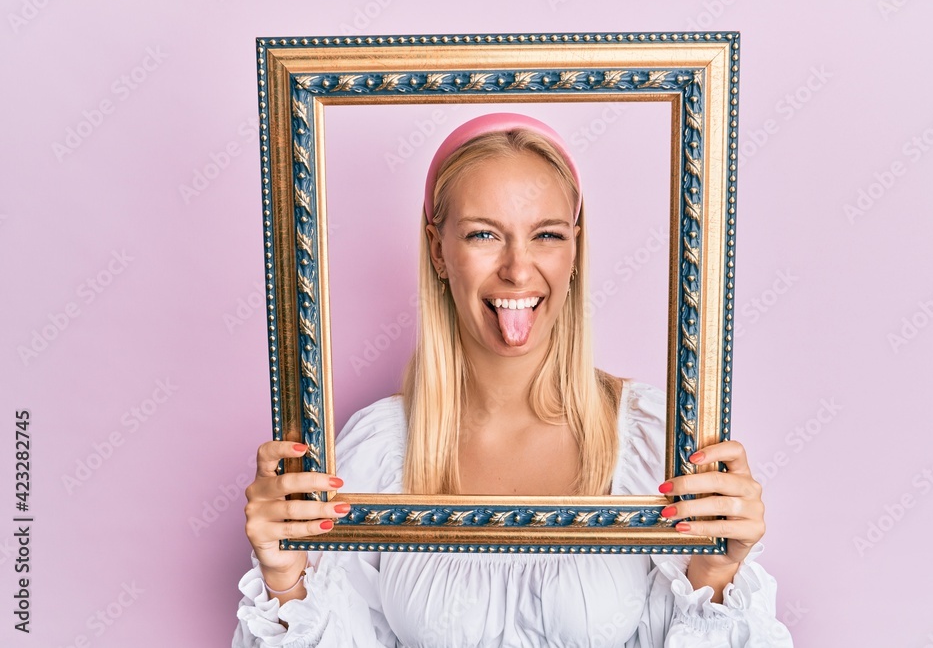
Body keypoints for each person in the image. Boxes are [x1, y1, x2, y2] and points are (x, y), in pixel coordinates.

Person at [234, 113, 793, 647]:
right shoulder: (376, 450)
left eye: (547, 235)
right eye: (483, 235)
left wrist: (717, 574)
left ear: (575, 249)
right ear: (438, 251)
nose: (518, 269)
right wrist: (284, 578)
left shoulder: (655, 442)